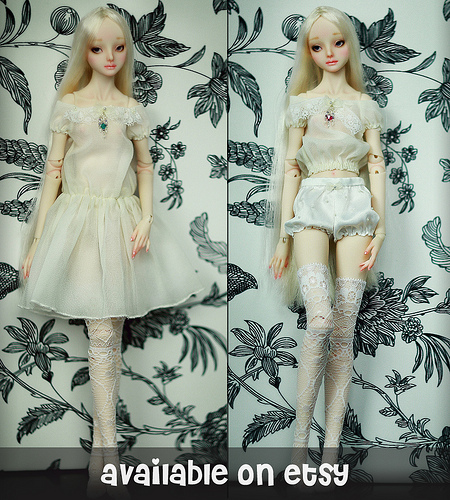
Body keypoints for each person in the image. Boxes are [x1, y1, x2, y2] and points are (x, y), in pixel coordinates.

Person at [19, 7, 202, 497]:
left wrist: (146, 218)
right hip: (78, 223)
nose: (110, 57)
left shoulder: (130, 109)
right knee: (101, 334)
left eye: (119, 47)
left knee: (109, 338)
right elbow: (53, 172)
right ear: (85, 51)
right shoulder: (69, 106)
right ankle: (109, 459)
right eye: (99, 48)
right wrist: (37, 240)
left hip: (121, 224)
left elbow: (144, 168)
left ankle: (103, 462)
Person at [268, 6, 385, 473]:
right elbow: (291, 169)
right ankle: (299, 448)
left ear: (349, 44)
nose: (329, 53)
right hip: (311, 205)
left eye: (337, 42)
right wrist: (283, 239)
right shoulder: (301, 103)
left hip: (356, 205)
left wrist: (381, 227)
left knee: (344, 327)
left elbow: (375, 164)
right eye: (318, 46)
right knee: (320, 320)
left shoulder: (363, 104)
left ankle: (330, 453)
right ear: (309, 52)